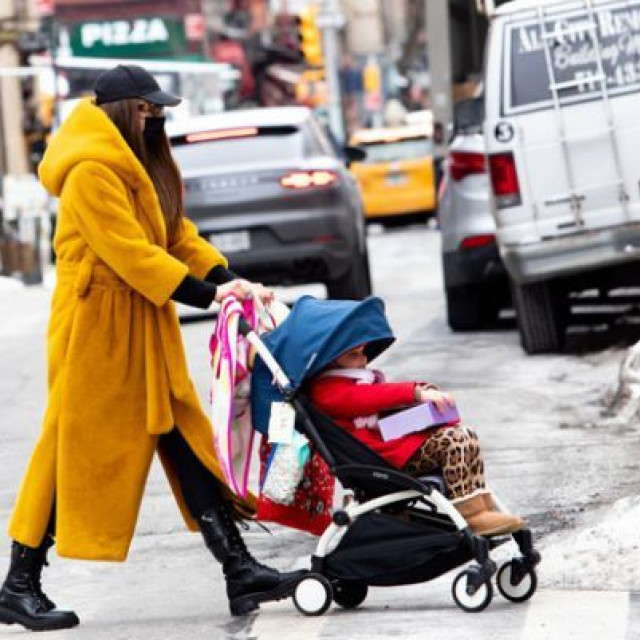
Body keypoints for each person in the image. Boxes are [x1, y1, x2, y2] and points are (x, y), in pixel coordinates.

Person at [0, 65, 304, 632]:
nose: (155, 118)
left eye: (157, 110)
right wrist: (210, 295)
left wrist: (228, 277)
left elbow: (175, 235)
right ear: (123, 110)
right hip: (98, 328)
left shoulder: (137, 160)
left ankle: (239, 570)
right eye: (146, 109)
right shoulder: (90, 169)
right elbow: (132, 255)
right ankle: (18, 584)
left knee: (183, 437)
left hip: (142, 322)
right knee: (72, 449)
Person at [308, 343, 524, 537]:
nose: (363, 360)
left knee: (466, 434)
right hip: (379, 461)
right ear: (332, 360)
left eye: (363, 354)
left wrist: (423, 400)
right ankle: (471, 514)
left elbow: (375, 400)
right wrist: (415, 393)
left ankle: (480, 506)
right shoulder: (326, 390)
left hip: (390, 450)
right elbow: (371, 397)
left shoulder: (351, 382)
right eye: (355, 355)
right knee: (455, 441)